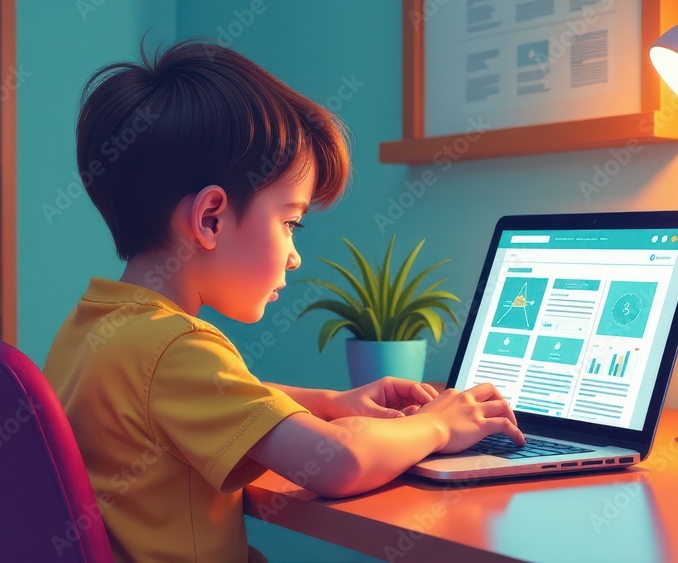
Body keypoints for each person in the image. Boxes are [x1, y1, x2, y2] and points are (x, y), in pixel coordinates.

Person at [43, 39, 524, 562]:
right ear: (211, 219)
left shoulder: (94, 325)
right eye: (290, 222)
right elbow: (338, 462)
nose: (295, 257)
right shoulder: (176, 348)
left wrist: (330, 402)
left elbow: (209, 397)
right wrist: (437, 424)